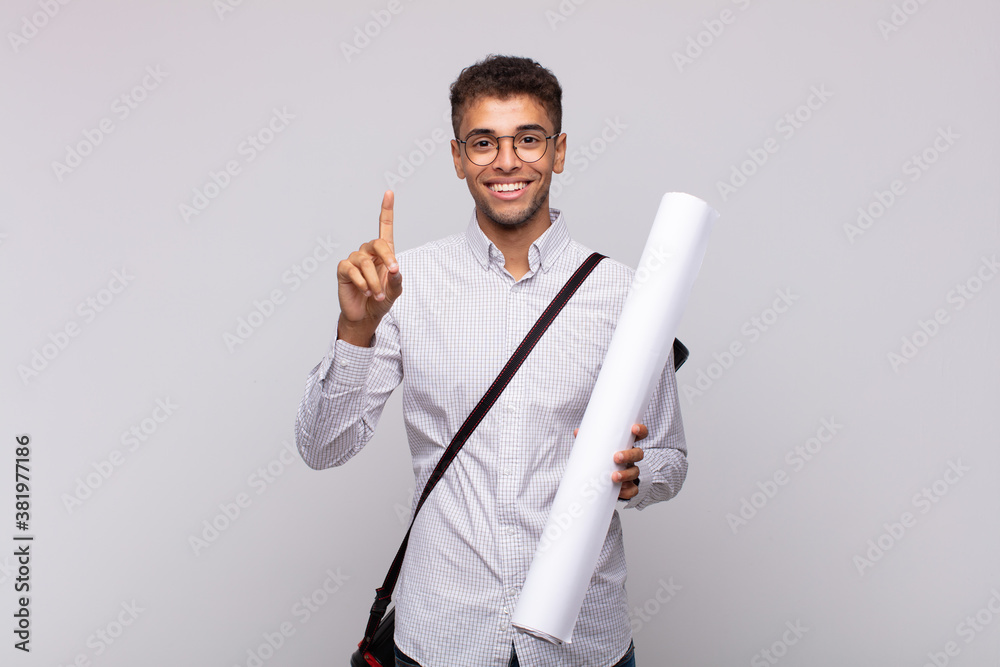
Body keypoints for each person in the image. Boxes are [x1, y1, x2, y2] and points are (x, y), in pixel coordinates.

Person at [295, 54, 687, 667]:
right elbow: (322, 447)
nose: (507, 162)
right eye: (484, 143)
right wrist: (354, 330)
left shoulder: (626, 294)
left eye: (527, 139)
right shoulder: (404, 285)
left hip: (581, 639)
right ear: (458, 159)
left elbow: (670, 458)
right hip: (444, 635)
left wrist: (637, 476)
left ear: (557, 152)